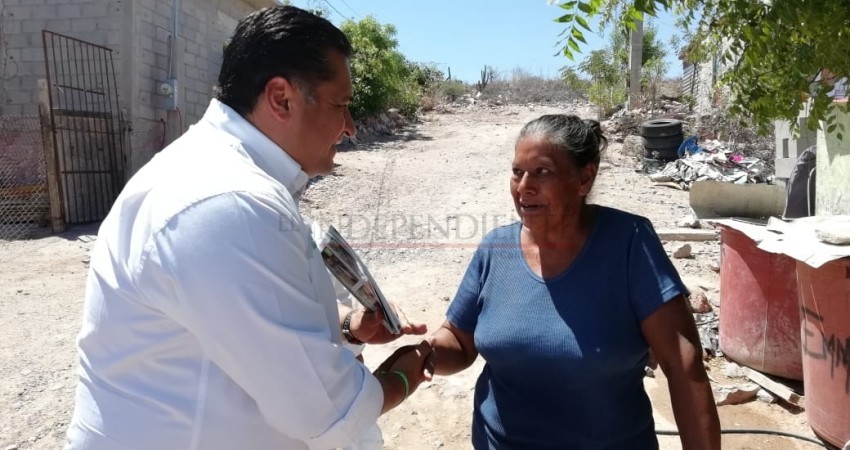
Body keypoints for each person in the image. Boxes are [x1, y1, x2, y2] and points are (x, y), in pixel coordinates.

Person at [64, 6, 433, 450]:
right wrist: (403, 376)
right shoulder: (229, 200)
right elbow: (325, 413)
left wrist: (350, 327)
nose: (350, 127)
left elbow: (242, 318)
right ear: (281, 98)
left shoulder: (213, 175)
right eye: (341, 104)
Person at [428, 114, 720, 449]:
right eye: (517, 172)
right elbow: (460, 342)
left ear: (584, 178)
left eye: (542, 172)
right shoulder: (496, 249)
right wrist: (423, 354)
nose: (524, 187)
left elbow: (683, 366)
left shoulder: (628, 244)